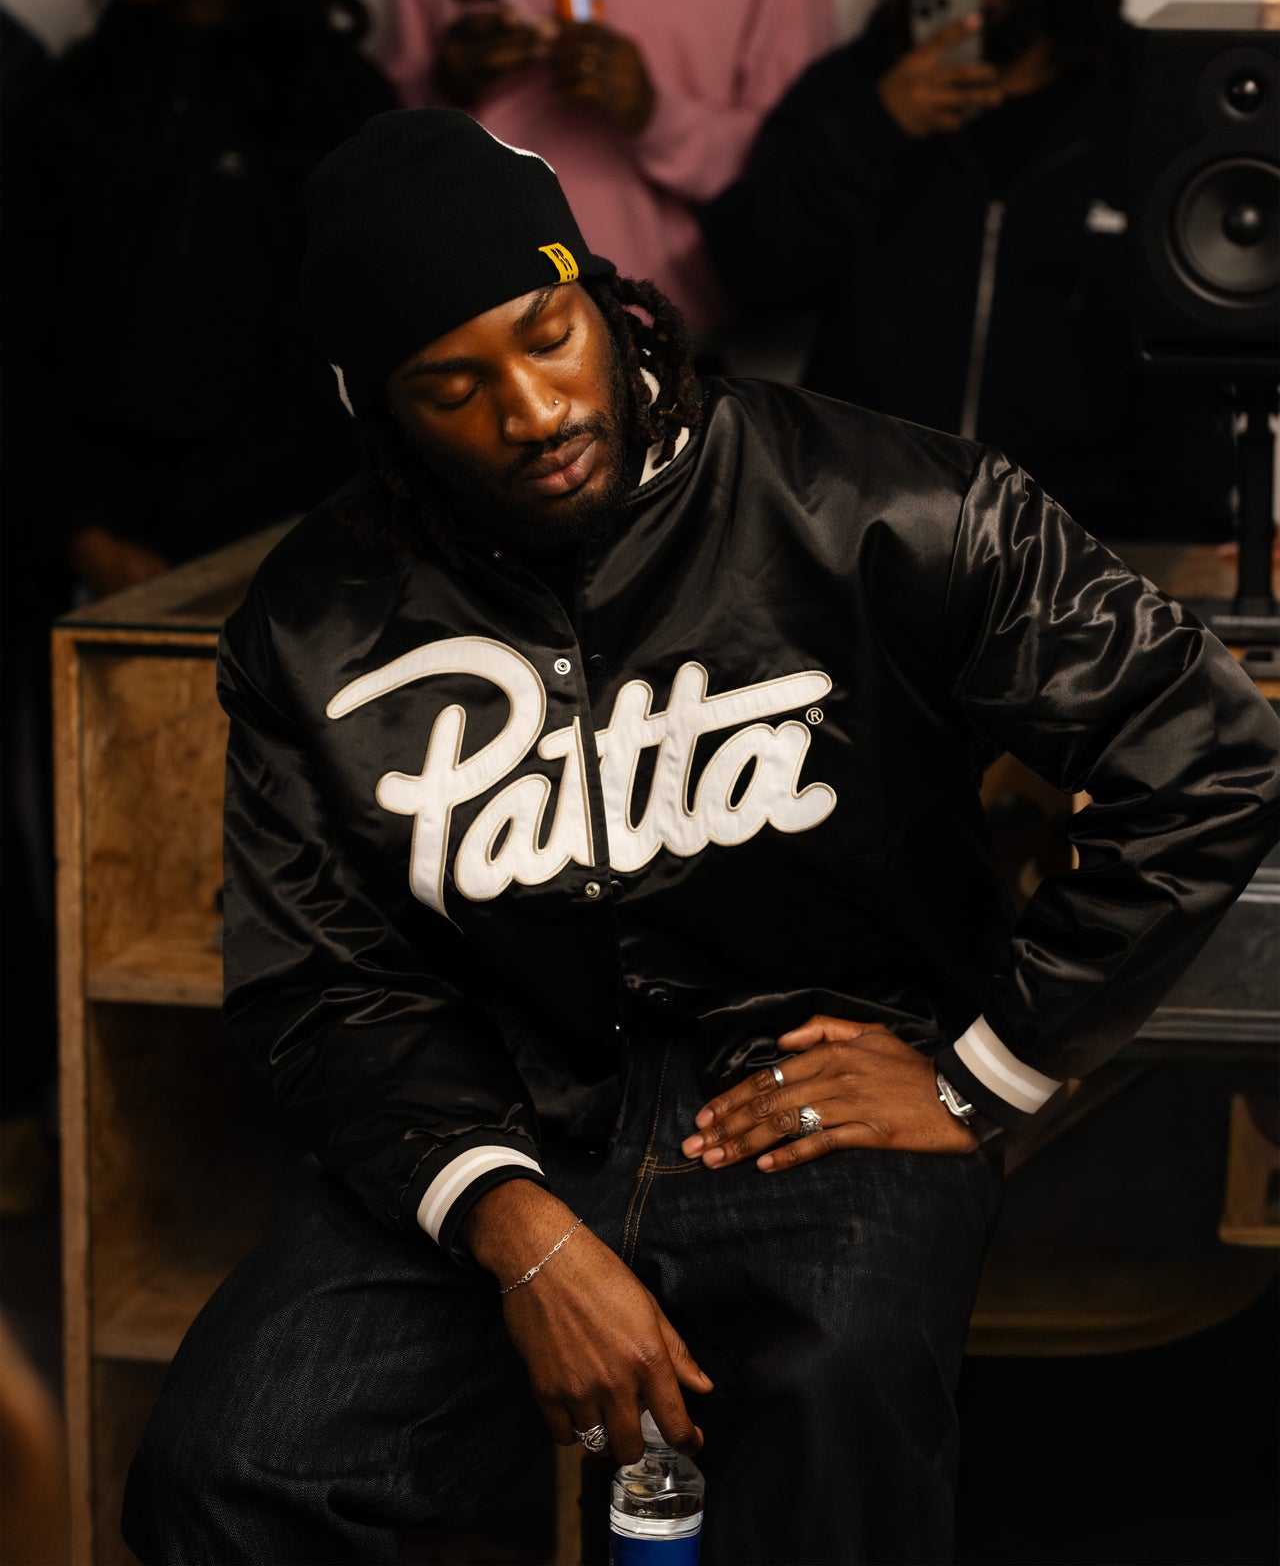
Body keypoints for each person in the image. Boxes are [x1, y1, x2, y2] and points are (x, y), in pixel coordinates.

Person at [121, 109, 1279, 1565]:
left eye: (547, 335)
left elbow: (1205, 747)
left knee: (834, 1425)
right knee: (228, 1470)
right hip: (490, 1112)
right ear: (381, 412)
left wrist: (985, 1070)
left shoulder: (890, 504)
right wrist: (517, 1227)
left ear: (602, 298)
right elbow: (321, 981)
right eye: (452, 388)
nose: (532, 411)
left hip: (822, 1091)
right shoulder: (310, 626)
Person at [699, 0, 1239, 545]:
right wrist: (877, 126)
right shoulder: (854, 87)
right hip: (865, 536)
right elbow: (750, 272)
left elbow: (1210, 337)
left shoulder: (1150, 100)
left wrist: (1173, 549)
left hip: (1086, 545)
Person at [37, 0, 396, 599]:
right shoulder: (77, 94)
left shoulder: (340, 100)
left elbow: (367, 337)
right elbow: (24, 321)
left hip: (293, 538)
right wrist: (78, 528)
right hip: (103, 537)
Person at [379, 0, 835, 348]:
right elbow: (381, 146)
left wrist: (655, 116)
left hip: (663, 332)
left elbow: (797, 179)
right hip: (463, 316)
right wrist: (446, 86)